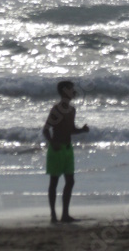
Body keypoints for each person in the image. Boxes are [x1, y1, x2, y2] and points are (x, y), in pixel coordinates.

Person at [42, 80, 89, 224]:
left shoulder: (72, 110)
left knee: (70, 181)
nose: (74, 91)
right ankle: (53, 216)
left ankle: (65, 215)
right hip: (56, 150)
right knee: (54, 182)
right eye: (71, 88)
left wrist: (81, 130)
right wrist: (52, 143)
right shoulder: (56, 109)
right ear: (64, 91)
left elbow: (70, 130)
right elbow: (46, 129)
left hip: (68, 149)